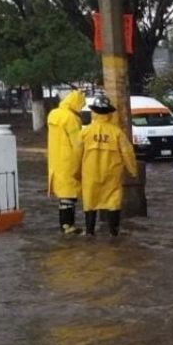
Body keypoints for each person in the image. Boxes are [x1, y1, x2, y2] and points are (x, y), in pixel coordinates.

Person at [79, 95, 139, 237]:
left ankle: (89, 233)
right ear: (109, 113)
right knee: (113, 203)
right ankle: (114, 233)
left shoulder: (85, 133)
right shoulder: (116, 133)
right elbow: (128, 153)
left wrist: (74, 173)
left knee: (90, 203)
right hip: (112, 175)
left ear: (94, 112)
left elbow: (75, 154)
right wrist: (133, 171)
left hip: (90, 175)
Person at [46, 90, 86, 235]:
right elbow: (77, 144)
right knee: (70, 195)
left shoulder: (53, 114)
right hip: (70, 161)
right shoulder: (72, 119)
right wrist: (81, 162)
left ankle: (64, 225)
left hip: (56, 161)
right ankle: (68, 225)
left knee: (64, 195)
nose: (81, 108)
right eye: (81, 104)